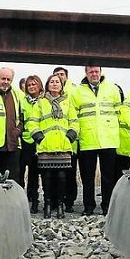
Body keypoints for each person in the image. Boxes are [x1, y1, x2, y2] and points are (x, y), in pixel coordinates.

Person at [71, 65, 121, 216]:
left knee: (108, 177)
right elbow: (73, 115)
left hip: (108, 139)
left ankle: (107, 206)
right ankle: (88, 207)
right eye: (91, 71)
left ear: (101, 72)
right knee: (87, 177)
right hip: (87, 139)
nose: (94, 74)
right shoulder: (77, 92)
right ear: (86, 73)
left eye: (96, 71)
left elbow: (119, 112)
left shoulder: (112, 89)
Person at [28, 74, 78, 219]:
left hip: (63, 145)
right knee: (47, 177)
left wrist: (70, 136)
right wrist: (39, 137)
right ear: (48, 84)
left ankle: (60, 204)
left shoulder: (68, 102)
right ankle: (48, 204)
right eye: (52, 82)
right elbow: (32, 121)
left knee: (62, 177)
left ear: (62, 85)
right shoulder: (41, 103)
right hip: (46, 145)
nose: (54, 84)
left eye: (57, 82)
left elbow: (74, 121)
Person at [53, 66, 77, 212]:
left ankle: (70, 202)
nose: (59, 77)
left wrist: (72, 136)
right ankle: (56, 201)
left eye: (62, 74)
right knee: (56, 174)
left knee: (70, 174)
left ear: (66, 76)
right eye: (56, 75)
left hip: (70, 142)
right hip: (53, 143)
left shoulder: (74, 90)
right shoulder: (48, 95)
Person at [19, 75, 44, 213]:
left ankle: (34, 201)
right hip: (24, 140)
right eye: (29, 85)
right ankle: (21, 201)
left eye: (34, 84)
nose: (32, 87)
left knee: (35, 174)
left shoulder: (45, 101)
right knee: (20, 172)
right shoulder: (22, 102)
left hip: (39, 141)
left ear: (39, 85)